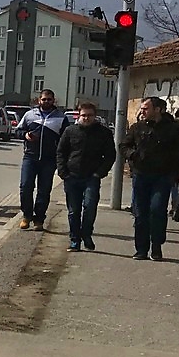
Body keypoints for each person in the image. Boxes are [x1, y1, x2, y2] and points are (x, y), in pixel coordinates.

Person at [119, 95, 179, 261]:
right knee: (140, 212)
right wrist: (132, 154)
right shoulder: (137, 127)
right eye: (142, 108)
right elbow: (124, 145)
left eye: (146, 108)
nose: (142, 111)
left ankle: (156, 246)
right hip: (141, 175)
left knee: (157, 210)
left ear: (157, 110)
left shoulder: (172, 129)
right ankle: (141, 249)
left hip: (163, 176)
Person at [56, 101, 116, 252]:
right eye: (84, 115)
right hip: (72, 176)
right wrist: (63, 172)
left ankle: (87, 234)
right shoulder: (70, 131)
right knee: (73, 211)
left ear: (95, 116)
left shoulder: (103, 133)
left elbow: (110, 155)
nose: (86, 118)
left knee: (90, 207)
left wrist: (99, 173)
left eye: (90, 115)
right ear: (78, 115)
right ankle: (74, 240)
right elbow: (61, 152)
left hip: (91, 177)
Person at [15, 89, 66, 231]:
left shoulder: (61, 117)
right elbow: (17, 130)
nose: (46, 102)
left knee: (44, 190)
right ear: (39, 100)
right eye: (44, 99)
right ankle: (26, 215)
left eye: (49, 99)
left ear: (53, 101)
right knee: (25, 186)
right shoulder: (29, 115)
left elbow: (65, 139)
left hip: (49, 159)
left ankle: (39, 219)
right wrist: (25, 135)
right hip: (30, 157)